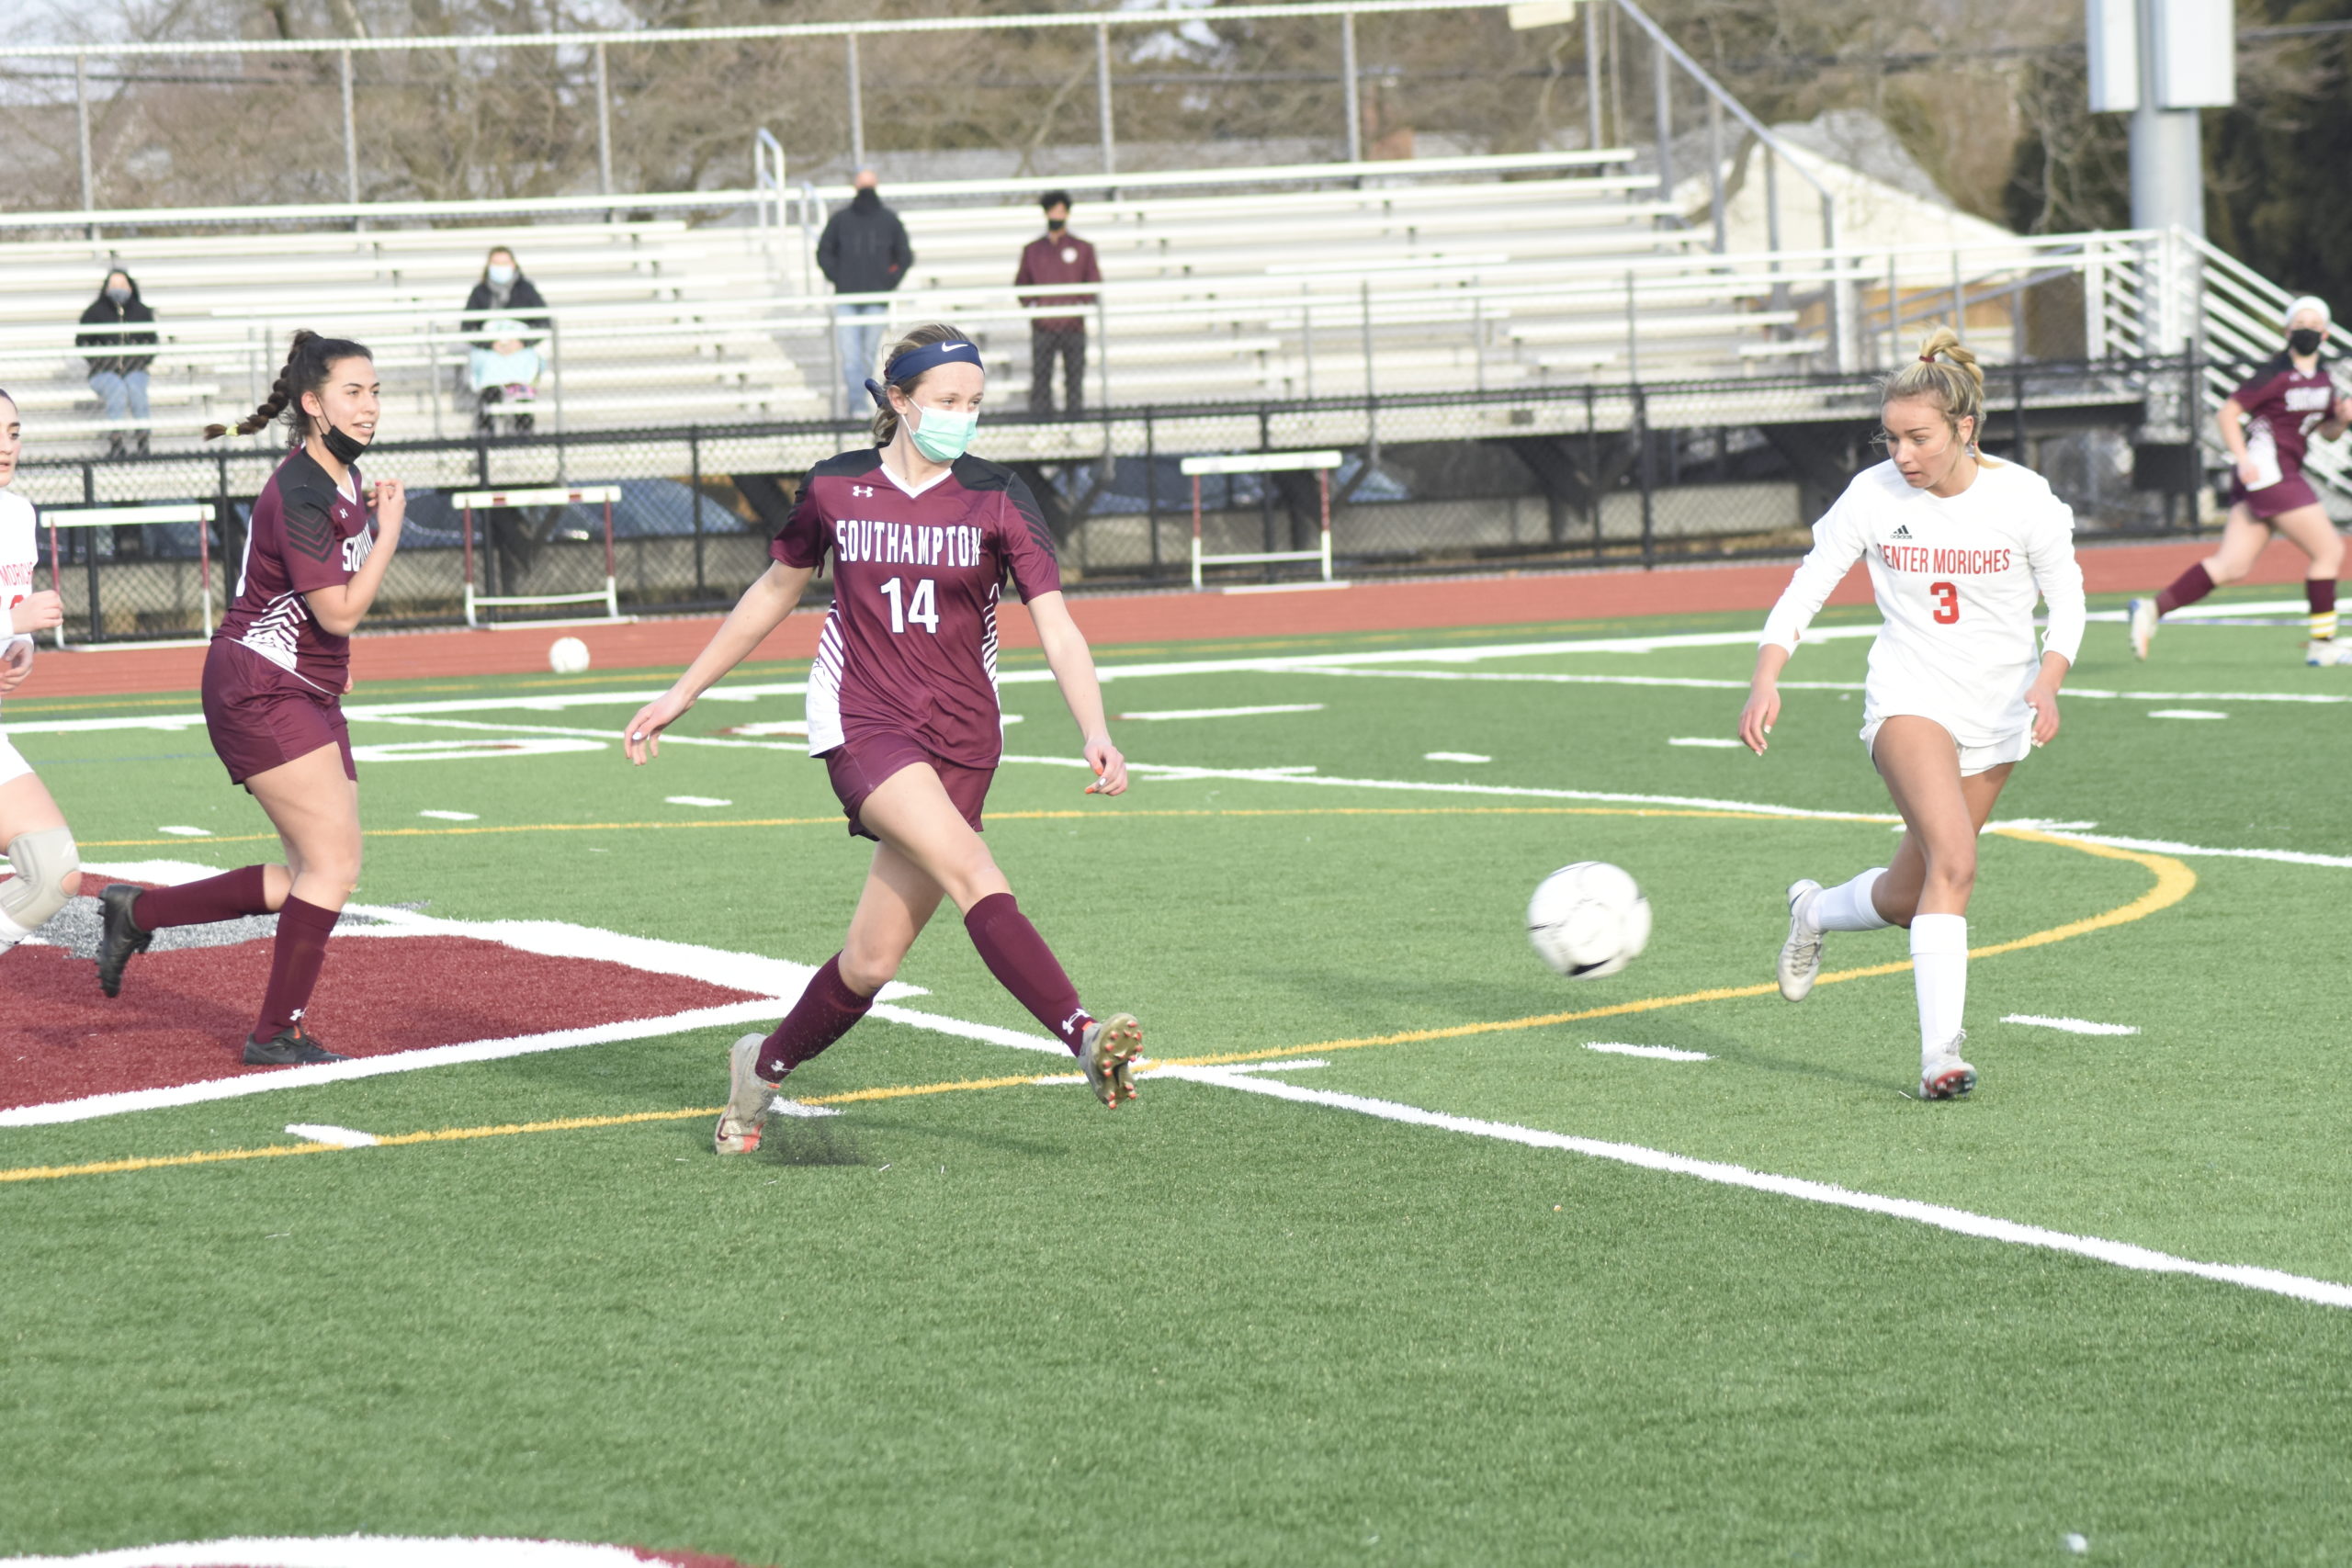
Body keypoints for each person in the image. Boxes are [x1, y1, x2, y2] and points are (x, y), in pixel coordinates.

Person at [621, 321, 1145, 1156]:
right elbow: (773, 591)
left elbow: (1058, 627)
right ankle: (1081, 1032)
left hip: (965, 739)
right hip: (863, 718)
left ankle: (759, 1070)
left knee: (868, 964)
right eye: (946, 400)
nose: (963, 417)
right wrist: (684, 691)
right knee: (976, 872)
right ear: (898, 401)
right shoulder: (835, 487)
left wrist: (1095, 727)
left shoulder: (999, 495)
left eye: (974, 402)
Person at [1739, 326, 2086, 1100]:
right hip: (1908, 700)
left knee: (1910, 893)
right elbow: (1808, 583)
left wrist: (2050, 679)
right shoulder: (1873, 495)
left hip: (1999, 717)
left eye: (1919, 437)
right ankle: (1941, 1057)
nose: (1902, 455)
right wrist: (1768, 675)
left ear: (1965, 429)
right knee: (1957, 864)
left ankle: (1814, 911)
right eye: (1891, 437)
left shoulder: (2025, 499)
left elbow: (2068, 602)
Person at [95, 333, 407, 1066]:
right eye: (353, 392)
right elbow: (336, 610)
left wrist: (336, 668)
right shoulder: (299, 487)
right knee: (334, 865)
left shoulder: (340, 482)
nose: (369, 407)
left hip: (304, 686)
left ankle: (138, 911)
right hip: (257, 686)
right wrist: (390, 532)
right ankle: (273, 1031)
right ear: (312, 402)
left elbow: (315, 613)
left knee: (315, 869)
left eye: (375, 391)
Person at [2129, 296, 2352, 667]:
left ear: (2325, 334)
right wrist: (2243, 458)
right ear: (2286, 331)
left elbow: (2326, 432)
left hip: (2276, 474)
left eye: (2314, 325)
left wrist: (2342, 419)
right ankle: (2323, 643)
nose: (2307, 330)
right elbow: (2228, 412)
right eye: (2300, 324)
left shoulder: (2325, 380)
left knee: (2232, 566)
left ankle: (2151, 609)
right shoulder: (2275, 374)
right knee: (2329, 552)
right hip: (2269, 472)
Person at [0, 389, 84, 961]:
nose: (7, 446)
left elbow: (15, 609)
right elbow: (12, 609)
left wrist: (19, 645)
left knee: (54, 872)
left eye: (13, 431)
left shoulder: (17, 511)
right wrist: (13, 620)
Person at [817, 171, 914, 416]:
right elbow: (824, 252)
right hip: (847, 298)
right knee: (851, 356)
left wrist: (888, 281)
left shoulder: (888, 220)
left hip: (875, 299)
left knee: (868, 355)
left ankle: (864, 401)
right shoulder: (841, 220)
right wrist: (839, 277)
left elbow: (904, 255)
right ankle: (857, 404)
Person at [1013, 190, 1102, 417]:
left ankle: (1076, 421)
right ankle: (1041, 423)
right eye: (1052, 211)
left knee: (1075, 376)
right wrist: (1035, 307)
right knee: (1041, 377)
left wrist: (1078, 306)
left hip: (1073, 325)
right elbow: (1022, 283)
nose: (1056, 215)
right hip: (1043, 326)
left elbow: (1093, 282)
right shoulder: (1033, 250)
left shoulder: (1083, 248)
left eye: (1061, 211)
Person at [461, 245, 550, 434]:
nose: (500, 267)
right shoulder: (479, 292)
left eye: (504, 263)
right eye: (496, 263)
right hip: (490, 351)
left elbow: (543, 322)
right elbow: (468, 327)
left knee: (522, 379)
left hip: (520, 350)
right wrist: (490, 344)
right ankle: (486, 430)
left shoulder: (526, 290)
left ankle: (524, 429)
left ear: (513, 264)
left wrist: (521, 343)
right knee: (490, 379)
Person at [76, 269, 158, 457]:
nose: (118, 289)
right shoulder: (94, 312)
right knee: (116, 389)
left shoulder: (141, 311)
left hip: (135, 369)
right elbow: (82, 341)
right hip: (104, 372)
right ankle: (116, 440)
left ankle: (143, 440)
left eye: (122, 285)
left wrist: (139, 361)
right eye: (114, 285)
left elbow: (152, 341)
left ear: (130, 286)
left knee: (136, 389)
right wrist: (99, 361)